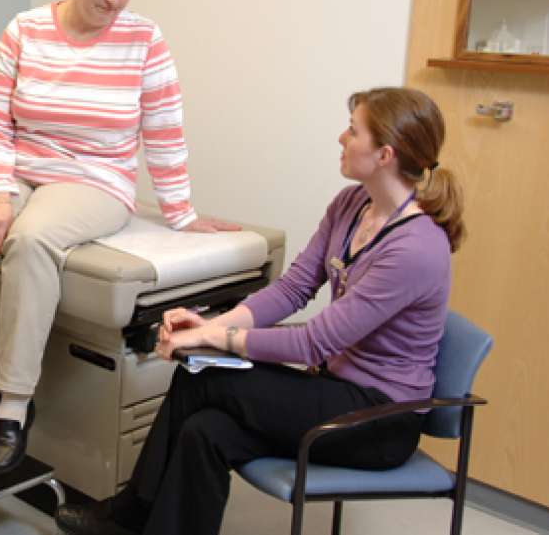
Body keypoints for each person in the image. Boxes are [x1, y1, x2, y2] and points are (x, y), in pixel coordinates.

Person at [55, 86, 466, 535]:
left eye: (353, 131)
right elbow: (292, 289)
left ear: (384, 154)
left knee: (204, 376)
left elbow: (314, 343)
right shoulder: (351, 205)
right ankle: (134, 519)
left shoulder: (416, 248)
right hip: (333, 389)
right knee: (205, 432)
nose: (340, 139)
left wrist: (209, 337)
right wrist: (212, 324)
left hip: (380, 420)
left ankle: (128, 517)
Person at [0, 0, 238, 478]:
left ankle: (12, 406)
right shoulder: (24, 31)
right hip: (15, 171)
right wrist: (1, 195)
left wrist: (182, 213)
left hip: (94, 179)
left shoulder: (143, 39)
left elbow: (164, 128)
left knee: (30, 243)